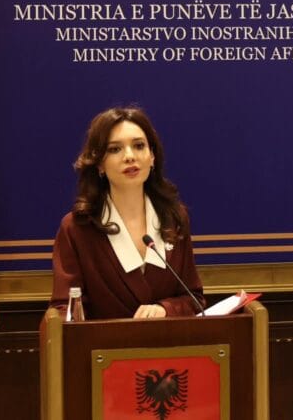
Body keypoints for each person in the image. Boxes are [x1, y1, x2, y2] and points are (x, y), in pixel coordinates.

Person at [50, 106, 204, 319]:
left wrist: (165, 310)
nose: (130, 156)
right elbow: (63, 311)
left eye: (139, 146)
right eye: (115, 149)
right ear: (99, 164)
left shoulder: (173, 218)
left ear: (152, 156)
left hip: (168, 339)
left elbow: (194, 299)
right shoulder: (77, 228)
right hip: (104, 341)